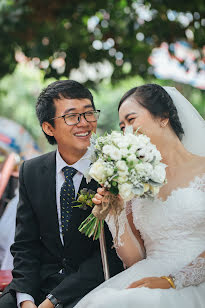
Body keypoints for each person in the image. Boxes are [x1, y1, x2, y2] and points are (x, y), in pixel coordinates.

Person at [74, 84, 205, 308]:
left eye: (131, 120)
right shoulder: (133, 181)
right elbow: (133, 259)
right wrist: (114, 213)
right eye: (122, 125)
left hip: (195, 279)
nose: (126, 131)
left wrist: (173, 281)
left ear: (163, 117)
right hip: (147, 273)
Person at [0, 80, 123, 308]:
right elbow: (25, 244)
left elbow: (112, 254)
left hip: (90, 287)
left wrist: (52, 302)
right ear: (49, 128)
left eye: (88, 113)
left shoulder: (114, 169)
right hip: (37, 285)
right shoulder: (32, 171)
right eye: (72, 116)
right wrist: (25, 299)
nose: (83, 123)